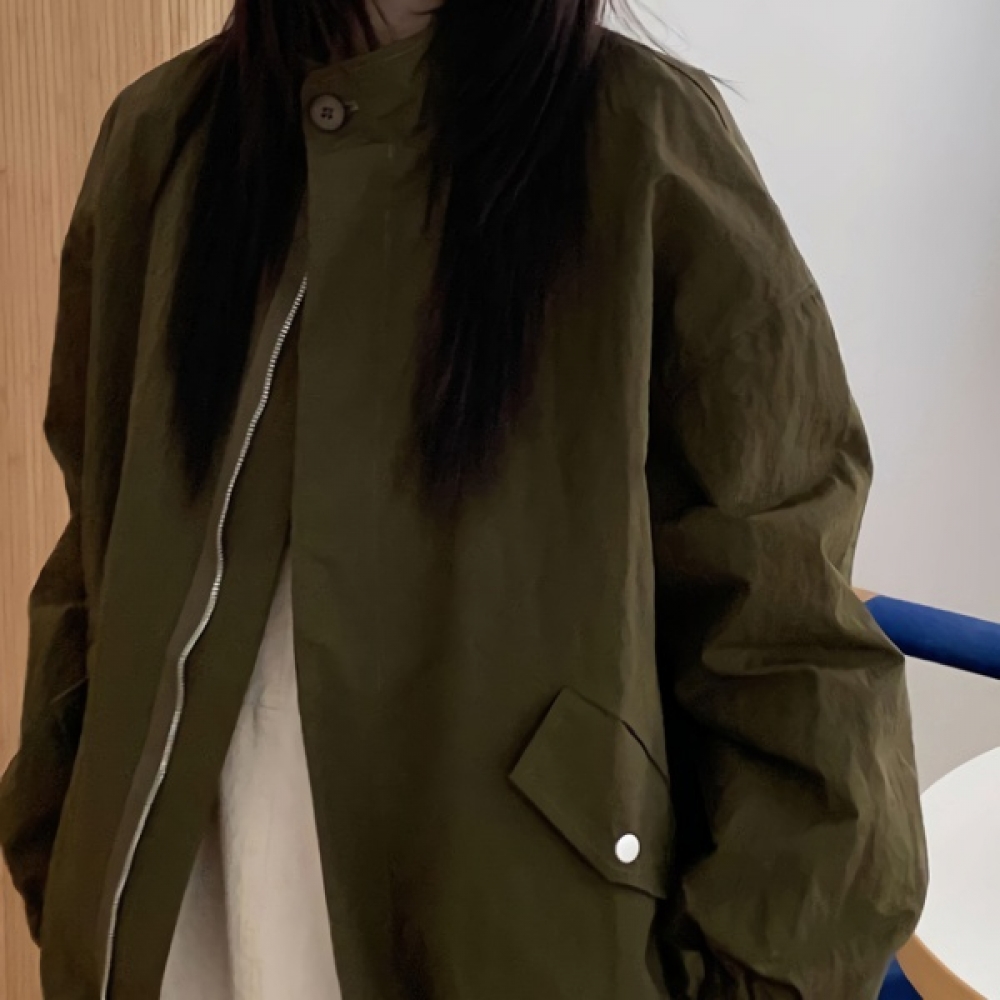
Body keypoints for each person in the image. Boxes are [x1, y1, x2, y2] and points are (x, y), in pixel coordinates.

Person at [0, 0, 928, 997]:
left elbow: (783, 635)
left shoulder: (644, 144)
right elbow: (95, 552)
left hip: (521, 944)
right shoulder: (160, 139)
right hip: (175, 941)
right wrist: (64, 850)